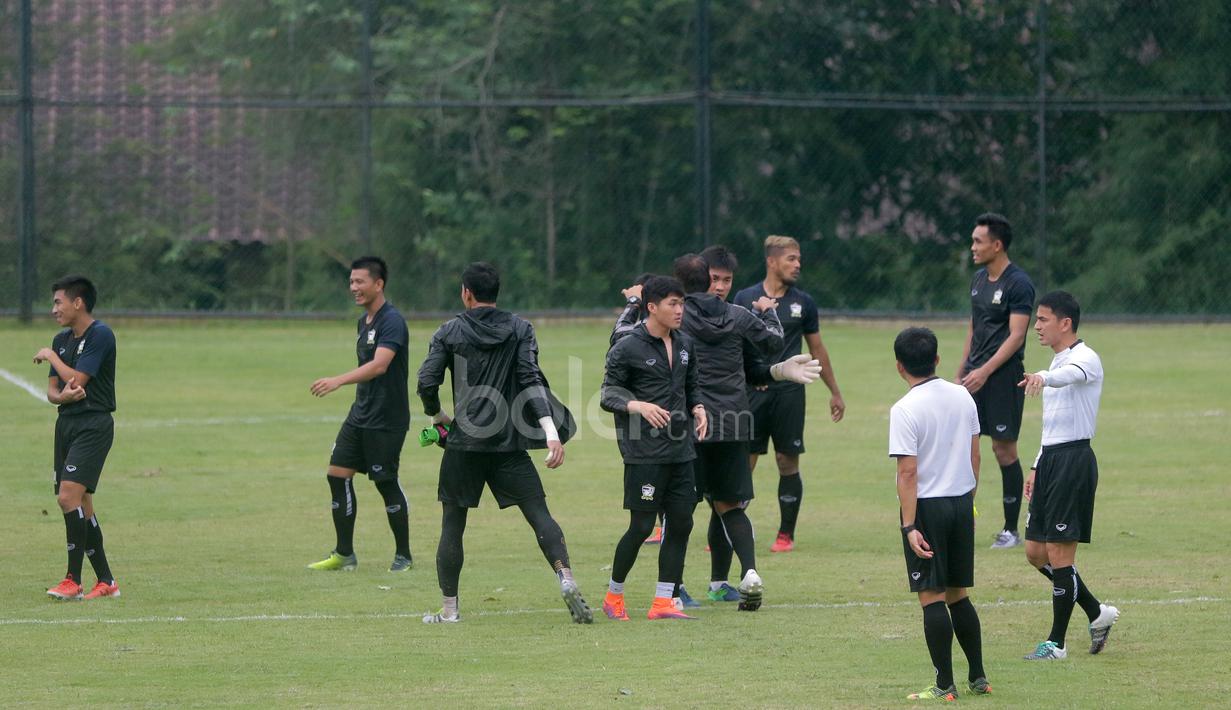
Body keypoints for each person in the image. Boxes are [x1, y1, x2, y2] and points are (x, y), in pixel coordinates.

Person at [416, 261, 591, 624]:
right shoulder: (519, 328)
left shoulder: (449, 331)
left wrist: (437, 418)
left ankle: (450, 611)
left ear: (466, 292)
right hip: (508, 443)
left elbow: (426, 382)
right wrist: (550, 431)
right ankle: (566, 577)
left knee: (453, 524)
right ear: (496, 293)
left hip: (464, 443)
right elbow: (531, 379)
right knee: (539, 514)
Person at [676, 253, 785, 611]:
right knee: (730, 504)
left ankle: (675, 588)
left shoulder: (676, 316)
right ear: (703, 278)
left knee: (681, 507)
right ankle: (748, 572)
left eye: (726, 280)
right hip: (734, 422)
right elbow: (773, 342)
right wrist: (768, 311)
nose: (721, 286)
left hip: (691, 423)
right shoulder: (739, 317)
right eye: (715, 279)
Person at [889, 327, 991, 701]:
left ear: (899, 366)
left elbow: (908, 472)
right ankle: (978, 677)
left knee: (931, 595)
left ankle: (944, 684)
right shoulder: (963, 396)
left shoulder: (904, 409)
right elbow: (975, 456)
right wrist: (970, 502)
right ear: (936, 360)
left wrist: (909, 525)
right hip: (962, 501)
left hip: (927, 508)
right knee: (958, 593)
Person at [1019, 291, 1120, 660]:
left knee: (1061, 555)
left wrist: (1044, 377)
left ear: (1065, 323)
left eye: (1043, 320)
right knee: (1035, 552)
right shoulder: (1057, 361)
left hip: (1074, 461)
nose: (1037, 327)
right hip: (1050, 461)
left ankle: (1056, 644)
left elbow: (1067, 377)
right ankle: (1097, 612)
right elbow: (1052, 424)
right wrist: (1035, 464)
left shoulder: (1084, 359)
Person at [600, 276, 707, 620]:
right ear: (651, 307)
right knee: (642, 527)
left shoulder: (687, 343)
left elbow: (693, 386)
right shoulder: (628, 346)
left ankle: (663, 601)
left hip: (682, 449)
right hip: (643, 452)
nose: (680, 310)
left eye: (682, 304)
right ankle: (614, 596)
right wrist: (638, 406)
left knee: (681, 522)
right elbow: (608, 394)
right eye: (673, 304)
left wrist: (699, 408)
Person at [733, 235, 844, 554]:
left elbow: (817, 348)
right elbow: (734, 344)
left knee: (787, 460)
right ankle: (730, 529)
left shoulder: (803, 303)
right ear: (771, 261)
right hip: (753, 391)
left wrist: (834, 391)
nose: (798, 265)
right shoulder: (745, 297)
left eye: (799, 259)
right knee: (744, 461)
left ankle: (785, 534)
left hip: (789, 395)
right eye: (791, 259)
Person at [307, 257, 413, 573]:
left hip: (387, 419)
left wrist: (338, 380)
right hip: (361, 415)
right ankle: (344, 554)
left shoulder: (392, 321)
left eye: (360, 282)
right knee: (337, 474)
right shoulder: (363, 321)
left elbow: (380, 365)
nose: (353, 288)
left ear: (378, 284)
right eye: (351, 282)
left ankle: (404, 556)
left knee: (385, 481)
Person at [33, 276, 121, 601]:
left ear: (77, 302)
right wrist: (62, 399)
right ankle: (107, 581)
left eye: (58, 302)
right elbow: (55, 391)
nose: (54, 309)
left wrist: (50, 357)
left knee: (67, 498)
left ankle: (73, 580)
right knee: (81, 503)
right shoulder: (61, 339)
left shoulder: (100, 335)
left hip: (93, 425)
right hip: (66, 424)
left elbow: (77, 378)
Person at [957, 213, 1036, 549]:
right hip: (973, 376)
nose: (973, 246)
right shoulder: (978, 279)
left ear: (997, 245)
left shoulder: (1019, 284)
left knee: (1003, 450)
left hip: (1002, 379)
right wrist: (962, 371)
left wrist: (985, 371)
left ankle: (1010, 530)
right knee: (964, 448)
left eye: (978, 241)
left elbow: (1017, 336)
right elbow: (974, 328)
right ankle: (963, 520)